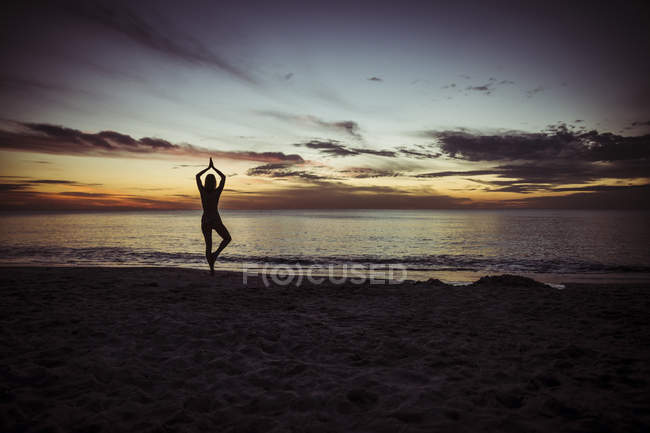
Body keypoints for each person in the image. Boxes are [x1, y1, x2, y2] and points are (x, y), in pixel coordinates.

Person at [196, 158, 231, 275]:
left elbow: (197, 176)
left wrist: (208, 168)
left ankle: (211, 269)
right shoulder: (217, 192)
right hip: (215, 219)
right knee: (227, 238)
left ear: (206, 182)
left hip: (205, 220)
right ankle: (215, 255)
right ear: (214, 182)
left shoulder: (202, 191)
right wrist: (214, 168)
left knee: (208, 245)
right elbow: (224, 177)